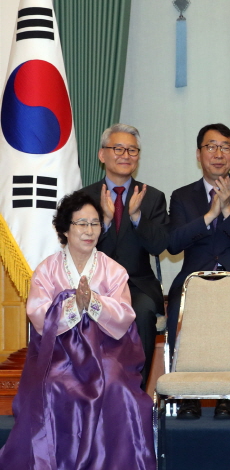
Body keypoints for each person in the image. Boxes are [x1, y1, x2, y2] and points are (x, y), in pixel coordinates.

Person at [0, 191, 157, 470]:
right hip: (59, 354)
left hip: (105, 353)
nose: (88, 230)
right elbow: (37, 314)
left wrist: (93, 303)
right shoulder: (46, 270)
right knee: (56, 385)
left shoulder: (113, 270)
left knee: (114, 385)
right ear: (65, 229)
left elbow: (125, 316)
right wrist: (72, 306)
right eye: (81, 223)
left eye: (95, 223)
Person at [166, 123, 230, 420]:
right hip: (194, 278)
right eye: (211, 147)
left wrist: (228, 211)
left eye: (226, 147)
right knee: (180, 307)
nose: (218, 154)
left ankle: (229, 394)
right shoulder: (182, 197)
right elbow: (173, 244)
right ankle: (187, 395)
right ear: (199, 154)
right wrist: (210, 214)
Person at [79, 123, 169, 390]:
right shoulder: (83, 198)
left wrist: (136, 217)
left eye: (132, 150)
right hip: (95, 285)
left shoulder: (151, 197)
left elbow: (159, 246)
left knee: (140, 310)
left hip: (138, 285)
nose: (126, 155)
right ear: (102, 154)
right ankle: (92, 390)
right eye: (118, 148)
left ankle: (134, 392)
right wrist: (104, 220)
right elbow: (77, 250)